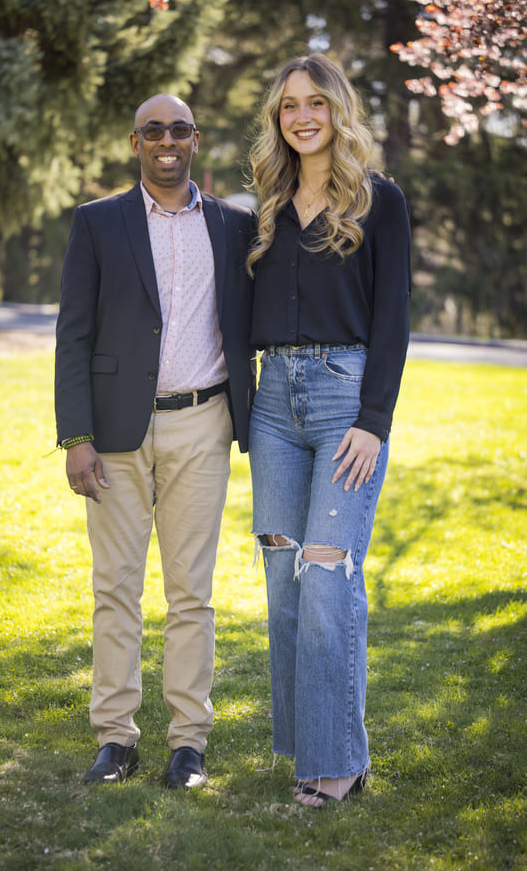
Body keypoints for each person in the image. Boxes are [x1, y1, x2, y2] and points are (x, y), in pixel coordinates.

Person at [55, 94, 256, 789]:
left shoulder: (234, 224)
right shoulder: (98, 221)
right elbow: (73, 333)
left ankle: (188, 743)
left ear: (194, 140)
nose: (165, 140)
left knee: (191, 593)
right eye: (152, 131)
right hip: (113, 432)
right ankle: (116, 738)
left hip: (204, 422)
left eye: (177, 129)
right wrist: (76, 436)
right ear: (135, 141)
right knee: (115, 588)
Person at [246, 54, 411, 808]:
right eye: (288, 107)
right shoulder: (268, 206)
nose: (302, 116)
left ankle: (339, 759)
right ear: (277, 121)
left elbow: (393, 320)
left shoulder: (380, 202)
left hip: (347, 403)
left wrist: (374, 422)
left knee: (327, 573)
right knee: (285, 578)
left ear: (337, 111)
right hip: (273, 404)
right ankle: (305, 752)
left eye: (315, 102)